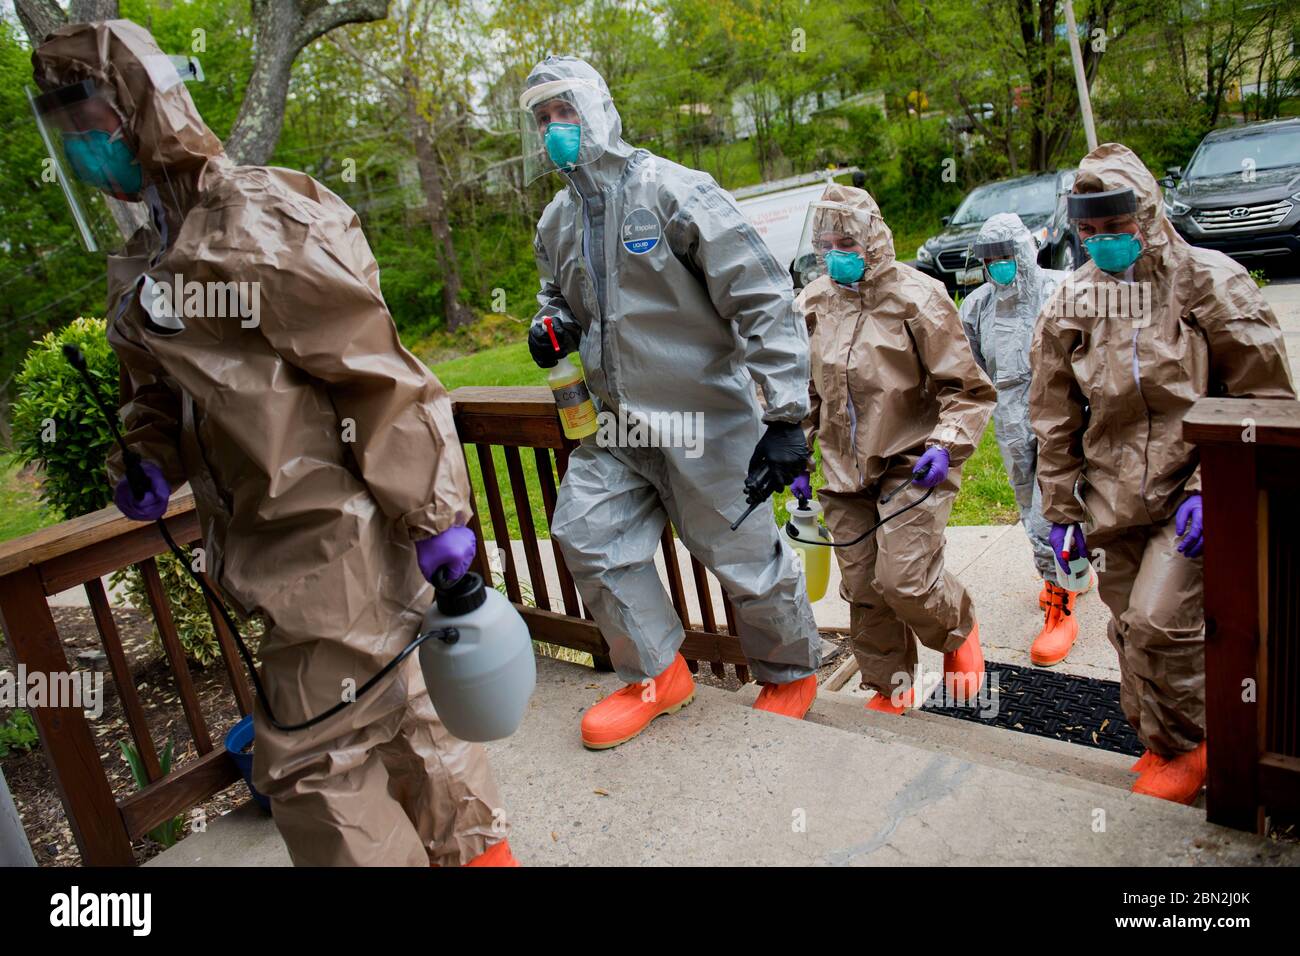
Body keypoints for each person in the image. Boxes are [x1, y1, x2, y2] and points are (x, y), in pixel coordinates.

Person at [32, 20, 515, 866]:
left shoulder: (254, 221)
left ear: (139, 111)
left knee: (309, 763)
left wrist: (435, 512)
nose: (86, 152)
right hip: (282, 548)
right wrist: (144, 458)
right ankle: (482, 856)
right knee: (404, 713)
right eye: (69, 136)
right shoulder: (149, 258)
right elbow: (157, 395)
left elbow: (375, 372)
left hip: (337, 539)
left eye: (94, 127)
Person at [521, 56, 821, 750]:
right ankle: (657, 675)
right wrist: (550, 326)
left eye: (565, 112)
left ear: (597, 110)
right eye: (543, 119)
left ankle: (790, 670)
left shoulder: (673, 191)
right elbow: (556, 299)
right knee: (588, 534)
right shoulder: (556, 222)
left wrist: (784, 415)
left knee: (743, 556)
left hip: (705, 420)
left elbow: (760, 294)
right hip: (616, 426)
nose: (555, 130)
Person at [1031, 142, 1294, 804]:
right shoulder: (1075, 299)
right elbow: (1054, 412)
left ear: (1146, 217)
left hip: (1191, 492)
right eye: (1087, 231)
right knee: (1127, 627)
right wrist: (1061, 509)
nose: (1101, 242)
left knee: (1158, 622)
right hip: (1112, 497)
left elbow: (1265, 397)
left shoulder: (1209, 283)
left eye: (1114, 228)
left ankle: (1194, 744)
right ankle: (1158, 738)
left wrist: (1217, 487)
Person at [793, 184, 995, 713]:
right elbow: (806, 392)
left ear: (873, 241)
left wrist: (947, 445)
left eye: (846, 241)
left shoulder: (918, 298)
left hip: (913, 462)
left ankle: (959, 628)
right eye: (826, 242)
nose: (835, 253)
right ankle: (892, 685)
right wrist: (797, 452)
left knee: (902, 579)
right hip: (842, 469)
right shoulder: (814, 302)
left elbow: (967, 390)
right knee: (862, 585)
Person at [958, 213, 1089, 667]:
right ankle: (1067, 575)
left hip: (1061, 413)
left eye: (1005, 257)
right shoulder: (977, 307)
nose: (998, 267)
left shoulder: (1062, 289)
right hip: (1011, 418)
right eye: (989, 260)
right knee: (1026, 503)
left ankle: (1062, 607)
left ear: (1024, 254)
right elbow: (970, 371)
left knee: (1052, 510)